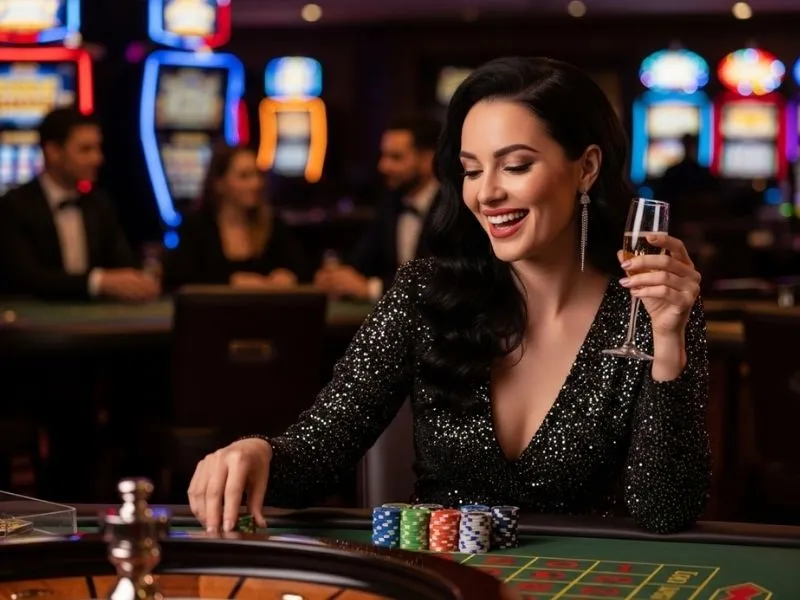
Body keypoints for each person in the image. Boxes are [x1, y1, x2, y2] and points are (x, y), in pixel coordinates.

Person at [188, 57, 710, 535]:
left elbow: (665, 510)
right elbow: (317, 455)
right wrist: (256, 453)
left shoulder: (649, 305)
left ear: (587, 168)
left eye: (516, 165)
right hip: (441, 579)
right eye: (472, 170)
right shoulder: (424, 292)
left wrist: (668, 344)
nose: (486, 194)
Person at [0, 108, 158, 302]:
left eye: (98, 148)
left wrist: (140, 281)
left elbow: (121, 265)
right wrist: (96, 282)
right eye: (85, 150)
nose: (98, 159)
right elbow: (24, 279)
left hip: (92, 326)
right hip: (34, 328)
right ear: (53, 152)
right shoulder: (13, 206)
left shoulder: (99, 205)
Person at [314, 114, 441, 300]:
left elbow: (443, 280)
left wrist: (373, 288)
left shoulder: (455, 208)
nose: (383, 166)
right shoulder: (390, 203)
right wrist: (335, 276)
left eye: (395, 157)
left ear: (427, 160)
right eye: (383, 156)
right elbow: (361, 261)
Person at [161, 144, 311, 290]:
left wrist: (288, 276)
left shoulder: (274, 225)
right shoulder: (196, 227)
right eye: (244, 176)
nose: (256, 184)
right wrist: (230, 282)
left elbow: (304, 271)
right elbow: (176, 279)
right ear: (220, 184)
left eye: (258, 175)